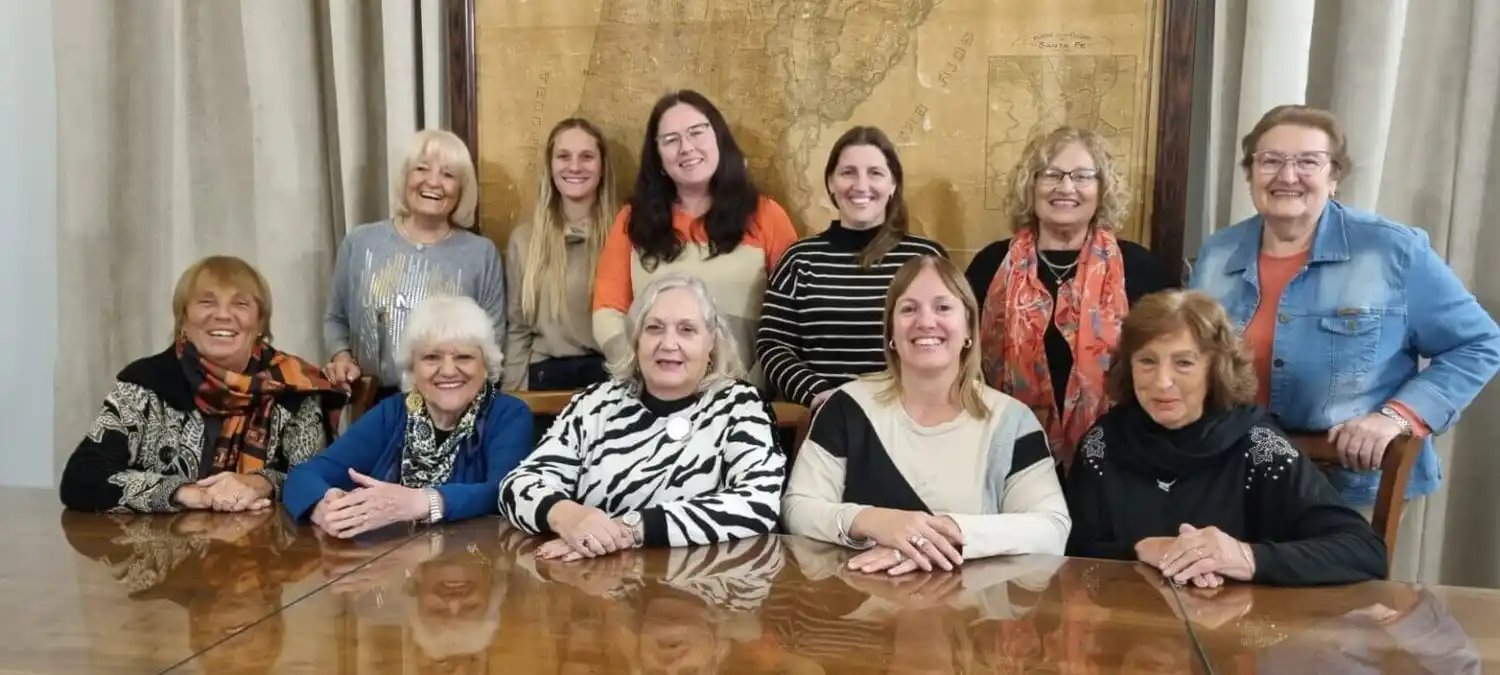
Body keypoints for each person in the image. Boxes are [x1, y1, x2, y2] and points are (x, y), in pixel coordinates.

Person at [1188, 105, 1500, 536]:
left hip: (1350, 488)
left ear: (1334, 177)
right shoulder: (1218, 252)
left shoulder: (1393, 251)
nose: (1287, 175)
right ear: (1251, 173)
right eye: (1271, 160)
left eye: (1307, 162)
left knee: (1340, 605)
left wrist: (1397, 417)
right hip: (1232, 478)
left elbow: (1480, 344)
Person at [1063, 290, 1388, 587]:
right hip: (1132, 634)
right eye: (1147, 361)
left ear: (1215, 368)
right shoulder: (1102, 445)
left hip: (1239, 638)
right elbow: (1069, 549)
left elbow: (1363, 550)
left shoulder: (1259, 447)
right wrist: (1140, 548)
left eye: (1184, 363)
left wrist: (1244, 557)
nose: (1162, 382)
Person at [782, 255, 1070, 575]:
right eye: (908, 309)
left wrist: (940, 535)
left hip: (972, 613)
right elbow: (798, 508)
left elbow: (1052, 529)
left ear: (969, 329)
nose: (926, 321)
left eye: (943, 307)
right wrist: (872, 521)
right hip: (856, 609)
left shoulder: (1012, 422)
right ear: (891, 331)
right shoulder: (845, 406)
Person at [500, 274, 786, 557]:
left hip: (701, 587)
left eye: (687, 329)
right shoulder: (595, 403)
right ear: (636, 339)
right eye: (654, 328)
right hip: (595, 586)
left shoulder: (741, 406)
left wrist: (629, 528)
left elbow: (758, 503)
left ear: (711, 341)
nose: (669, 343)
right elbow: (517, 486)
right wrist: (565, 515)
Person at [60, 256, 344, 513]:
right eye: (206, 302)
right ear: (183, 320)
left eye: (241, 303)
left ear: (260, 324)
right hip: (161, 558)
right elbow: (82, 478)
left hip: (266, 557)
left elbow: (316, 478)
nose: (222, 315)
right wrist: (186, 493)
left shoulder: (295, 387)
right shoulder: (144, 382)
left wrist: (260, 483)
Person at [966, 126, 1173, 471]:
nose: (1066, 187)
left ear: (1101, 188)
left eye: (1082, 176)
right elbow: (964, 364)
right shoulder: (990, 266)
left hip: (1122, 459)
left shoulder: (1142, 269)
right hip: (1008, 456)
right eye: (1051, 174)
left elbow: (1171, 366)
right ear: (1030, 186)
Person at [592, 90, 800, 389]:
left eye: (696, 132)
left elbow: (790, 316)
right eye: (670, 139)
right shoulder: (631, 221)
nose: (686, 147)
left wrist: (752, 386)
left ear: (719, 139)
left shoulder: (766, 214)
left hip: (743, 398)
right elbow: (607, 311)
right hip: (651, 397)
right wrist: (639, 371)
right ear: (659, 158)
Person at [284, 295, 533, 535]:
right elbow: (304, 475)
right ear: (412, 368)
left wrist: (423, 502)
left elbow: (505, 491)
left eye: (464, 357)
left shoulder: (508, 414)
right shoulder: (392, 412)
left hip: (475, 566)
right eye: (431, 357)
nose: (447, 370)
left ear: (486, 365)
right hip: (388, 564)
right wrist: (324, 506)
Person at [757, 125, 947, 409]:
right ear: (831, 183)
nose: (861, 185)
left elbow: (948, 339)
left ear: (893, 184)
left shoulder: (925, 258)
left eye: (875, 173)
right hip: (824, 417)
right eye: (848, 173)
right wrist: (819, 394)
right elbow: (773, 345)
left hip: (909, 414)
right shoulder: (800, 259)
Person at [323, 128, 507, 403]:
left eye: (448, 174)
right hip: (372, 405)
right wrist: (341, 357)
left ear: (462, 189)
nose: (433, 182)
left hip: (452, 407)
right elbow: (336, 320)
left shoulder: (481, 254)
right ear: (405, 177)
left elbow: (493, 343)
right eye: (422, 169)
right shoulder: (360, 243)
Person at [502, 118, 618, 391]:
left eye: (587, 157)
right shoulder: (524, 240)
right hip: (543, 378)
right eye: (563, 156)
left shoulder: (625, 236)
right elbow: (517, 328)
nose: (574, 166)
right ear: (550, 166)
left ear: (602, 167)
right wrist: (514, 399)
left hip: (611, 377)